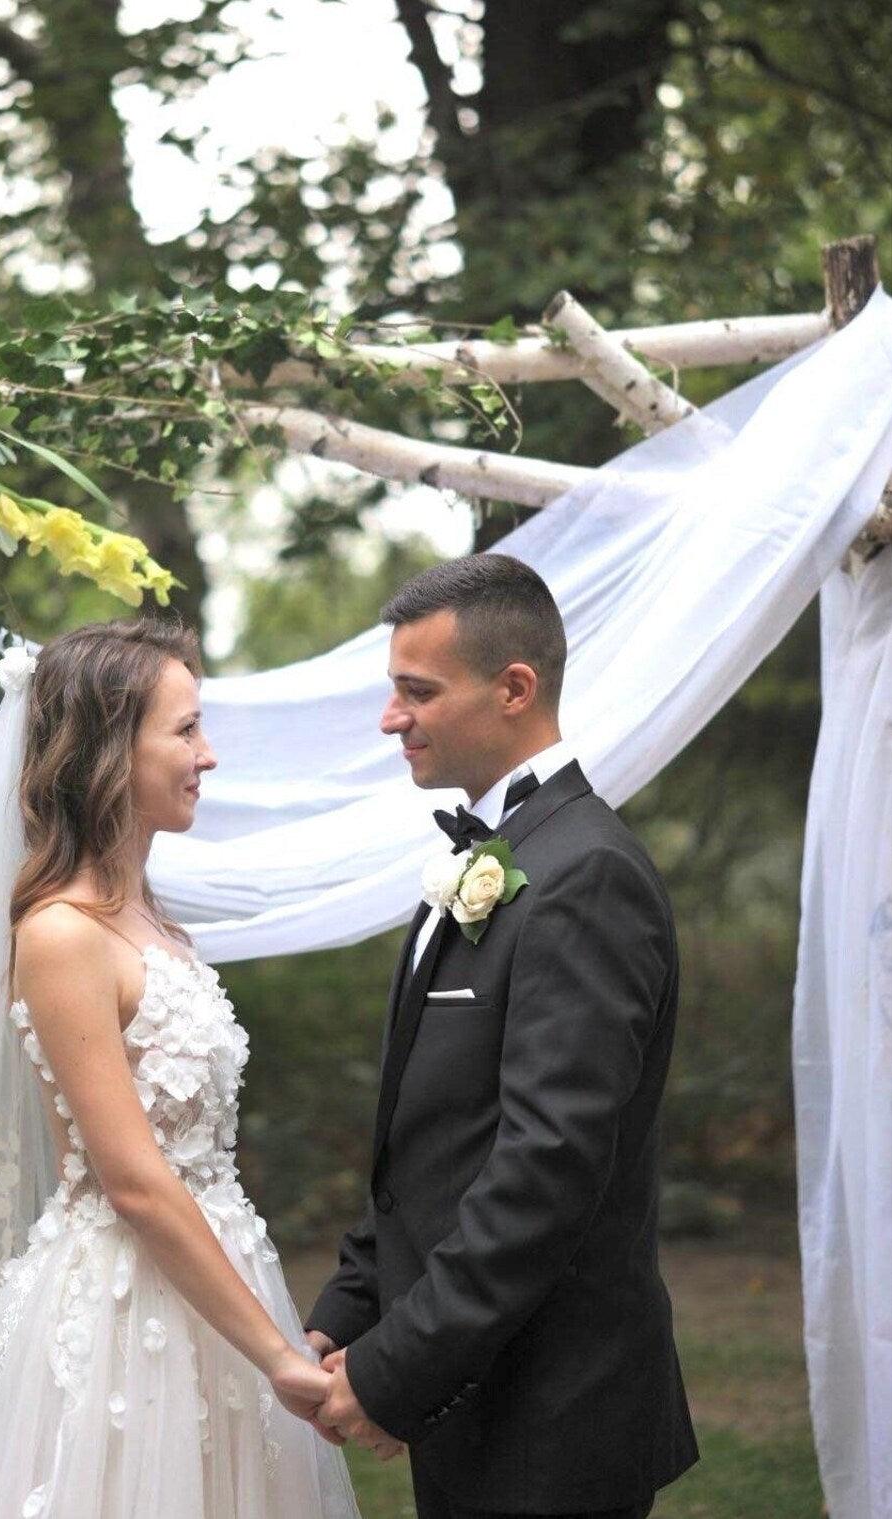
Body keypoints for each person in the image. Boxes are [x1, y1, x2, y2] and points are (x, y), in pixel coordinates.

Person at [0, 618, 366, 1519]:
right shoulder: (62, 933)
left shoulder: (153, 920)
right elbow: (131, 1179)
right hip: (129, 1316)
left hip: (215, 1284)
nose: (206, 755)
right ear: (108, 750)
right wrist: (278, 1356)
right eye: (184, 730)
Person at [305, 554, 700, 1519]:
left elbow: (546, 1170)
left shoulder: (585, 875)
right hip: (484, 1389)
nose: (392, 717)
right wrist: (347, 1313)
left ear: (514, 687)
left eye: (417, 691)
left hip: (553, 1410)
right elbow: (433, 1140)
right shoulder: (498, 857)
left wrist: (395, 1367)